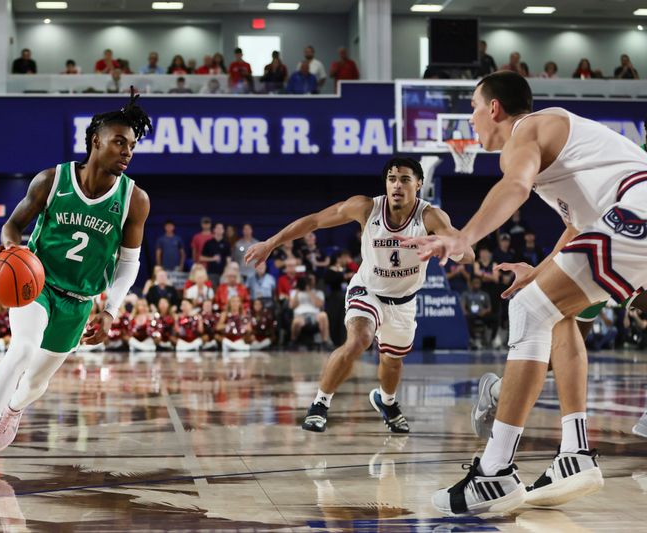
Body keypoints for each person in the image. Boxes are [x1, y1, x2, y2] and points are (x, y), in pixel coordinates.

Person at [403, 71, 647, 515]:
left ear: (494, 108)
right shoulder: (572, 152)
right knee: (554, 311)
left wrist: (463, 237)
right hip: (627, 219)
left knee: (531, 311)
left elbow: (514, 187)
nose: (473, 121)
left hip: (638, 209)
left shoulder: (526, 130)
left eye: (475, 109)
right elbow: (579, 229)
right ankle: (574, 452)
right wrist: (539, 271)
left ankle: (494, 473)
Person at [0, 89, 152, 476]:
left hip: (79, 301)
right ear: (96, 140)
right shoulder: (52, 179)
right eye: (119, 142)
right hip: (37, 287)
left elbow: (128, 265)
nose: (127, 151)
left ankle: (12, 411)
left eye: (131, 145)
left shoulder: (135, 200)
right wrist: (10, 251)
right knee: (22, 350)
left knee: (34, 383)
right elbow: (12, 225)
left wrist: (110, 311)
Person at [245, 156, 473, 434]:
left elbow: (468, 254)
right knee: (359, 340)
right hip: (367, 291)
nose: (397, 185)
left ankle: (386, 401)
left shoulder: (431, 216)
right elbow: (315, 221)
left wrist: (447, 245)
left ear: (419, 184)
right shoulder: (366, 207)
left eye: (404, 179)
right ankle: (319, 404)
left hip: (403, 303)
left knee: (391, 363)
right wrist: (271, 243)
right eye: (392, 179)